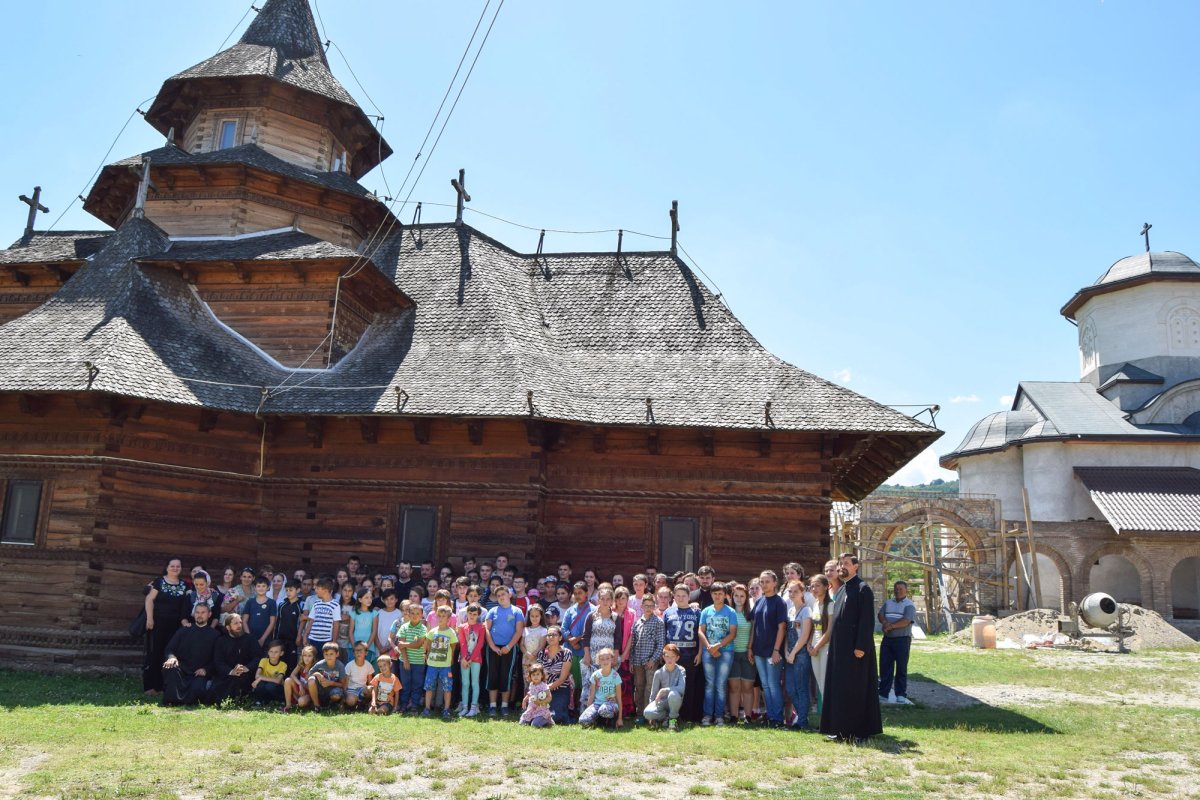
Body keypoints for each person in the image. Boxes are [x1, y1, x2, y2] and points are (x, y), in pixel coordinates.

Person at [820, 553, 882, 743]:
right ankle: (840, 729)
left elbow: (866, 621)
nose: (842, 566)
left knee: (856, 689)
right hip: (840, 650)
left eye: (846, 563)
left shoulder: (863, 589)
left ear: (856, 566)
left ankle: (859, 731)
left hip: (856, 650)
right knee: (839, 689)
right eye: (840, 563)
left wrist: (861, 646)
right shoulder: (842, 590)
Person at [143, 557, 190, 695]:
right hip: (157, 624)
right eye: (172, 566)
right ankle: (151, 686)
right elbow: (149, 599)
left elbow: (187, 604)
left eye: (178, 566)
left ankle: (166, 686)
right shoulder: (159, 582)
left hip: (175, 626)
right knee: (154, 653)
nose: (175, 568)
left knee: (171, 654)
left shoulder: (184, 585)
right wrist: (149, 619)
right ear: (167, 567)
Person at [748, 570, 787, 727]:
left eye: (767, 581)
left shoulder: (779, 602)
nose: (764, 585)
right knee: (765, 685)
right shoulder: (759, 601)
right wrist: (750, 647)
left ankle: (777, 718)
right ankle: (770, 716)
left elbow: (782, 627)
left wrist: (777, 650)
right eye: (762, 582)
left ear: (775, 583)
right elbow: (754, 625)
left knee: (773, 684)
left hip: (773, 651)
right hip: (758, 650)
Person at [160, 601, 219, 706]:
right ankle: (172, 701)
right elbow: (169, 649)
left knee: (197, 689)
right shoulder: (183, 631)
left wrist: (206, 670)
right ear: (194, 614)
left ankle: (182, 701)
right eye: (197, 612)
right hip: (182, 669)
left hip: (199, 673)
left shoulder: (215, 635)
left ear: (209, 614)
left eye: (203, 612)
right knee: (170, 668)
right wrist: (172, 658)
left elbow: (218, 659)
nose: (199, 615)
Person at [698, 581, 738, 726]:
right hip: (708, 651)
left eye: (720, 594)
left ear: (725, 595)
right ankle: (708, 715)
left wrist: (718, 645)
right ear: (711, 594)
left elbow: (732, 633)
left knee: (720, 684)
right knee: (709, 684)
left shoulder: (730, 612)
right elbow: (700, 631)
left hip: (725, 651)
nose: (717, 596)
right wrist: (709, 647)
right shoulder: (706, 611)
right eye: (714, 594)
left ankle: (719, 716)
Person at [663, 583, 703, 722]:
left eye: (684, 596)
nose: (680, 598)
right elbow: (664, 634)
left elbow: (700, 634)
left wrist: (700, 653)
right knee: (671, 686)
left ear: (689, 596)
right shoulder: (668, 612)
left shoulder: (697, 612)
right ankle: (671, 715)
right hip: (672, 656)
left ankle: (687, 716)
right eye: (678, 595)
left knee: (689, 686)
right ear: (674, 596)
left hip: (690, 655)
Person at [484, 584, 525, 715]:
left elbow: (519, 631)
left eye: (503, 594)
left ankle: (504, 706)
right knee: (493, 675)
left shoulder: (517, 611)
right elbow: (487, 629)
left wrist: (508, 646)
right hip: (493, 648)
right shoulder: (493, 611)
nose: (501, 597)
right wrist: (492, 646)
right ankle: (492, 705)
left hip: (509, 648)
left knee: (506, 676)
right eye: (499, 595)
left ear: (509, 595)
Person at [628, 586, 665, 722]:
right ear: (642, 606)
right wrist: (631, 661)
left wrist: (653, 659)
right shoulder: (638, 622)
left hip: (650, 661)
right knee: (639, 687)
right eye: (646, 605)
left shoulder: (658, 622)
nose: (648, 608)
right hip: (637, 661)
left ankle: (649, 713)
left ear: (654, 606)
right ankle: (639, 714)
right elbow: (633, 644)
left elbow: (661, 644)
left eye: (651, 606)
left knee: (650, 687)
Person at [878, 580, 917, 706]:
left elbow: (906, 621)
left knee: (901, 667)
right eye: (896, 588)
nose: (898, 590)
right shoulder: (888, 602)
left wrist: (891, 626)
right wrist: (885, 623)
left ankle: (900, 694)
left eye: (900, 588)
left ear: (906, 590)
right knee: (885, 667)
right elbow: (880, 614)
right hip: (888, 640)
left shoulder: (909, 605)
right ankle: (883, 692)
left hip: (902, 640)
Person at [783, 580, 813, 730]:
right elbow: (788, 634)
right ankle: (802, 716)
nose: (792, 594)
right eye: (790, 591)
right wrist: (786, 650)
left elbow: (805, 634)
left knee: (801, 688)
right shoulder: (790, 611)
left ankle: (802, 722)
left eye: (795, 591)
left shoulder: (806, 611)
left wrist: (794, 652)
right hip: (790, 654)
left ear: (802, 593)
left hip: (800, 654)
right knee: (790, 688)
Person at [209, 612, 258, 703]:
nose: (239, 625)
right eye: (235, 623)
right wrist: (231, 672)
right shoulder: (221, 641)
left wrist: (247, 668)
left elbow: (258, 657)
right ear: (228, 627)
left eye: (240, 622)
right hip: (226, 674)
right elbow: (218, 661)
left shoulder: (250, 639)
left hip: (246, 674)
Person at [392, 600, 428, 713]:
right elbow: (400, 645)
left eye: (418, 614)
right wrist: (406, 660)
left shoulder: (423, 629)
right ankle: (403, 705)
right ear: (408, 613)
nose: (415, 616)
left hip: (418, 662)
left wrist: (405, 644)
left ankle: (414, 706)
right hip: (405, 661)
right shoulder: (404, 627)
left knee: (417, 684)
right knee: (405, 684)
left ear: (421, 615)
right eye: (412, 613)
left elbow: (418, 645)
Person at [424, 605, 457, 718]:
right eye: (439, 616)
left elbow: (453, 647)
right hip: (432, 665)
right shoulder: (432, 631)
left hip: (445, 665)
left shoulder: (451, 632)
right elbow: (427, 645)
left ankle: (446, 709)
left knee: (447, 687)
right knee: (429, 687)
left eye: (444, 616)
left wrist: (451, 659)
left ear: (449, 619)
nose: (441, 618)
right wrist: (426, 655)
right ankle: (427, 708)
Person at [536, 626, 574, 724]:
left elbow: (562, 678)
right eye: (549, 635)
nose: (551, 637)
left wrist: (546, 688)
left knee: (555, 715)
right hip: (543, 688)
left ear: (560, 638)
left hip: (560, 689)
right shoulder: (541, 653)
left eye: (554, 635)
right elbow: (539, 675)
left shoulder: (567, 653)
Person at [807, 574, 833, 713]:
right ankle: (827, 720)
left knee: (826, 683)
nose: (814, 588)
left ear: (826, 586)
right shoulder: (815, 604)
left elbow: (829, 631)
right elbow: (814, 627)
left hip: (826, 648)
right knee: (819, 683)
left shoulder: (830, 605)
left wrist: (817, 647)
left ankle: (832, 719)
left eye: (817, 585)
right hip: (814, 648)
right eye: (812, 586)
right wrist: (809, 644)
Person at [644, 643, 686, 730]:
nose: (669, 659)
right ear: (663, 657)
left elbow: (681, 688)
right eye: (667, 656)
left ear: (677, 658)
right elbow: (653, 693)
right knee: (647, 713)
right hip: (662, 702)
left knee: (673, 694)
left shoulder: (681, 670)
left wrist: (664, 690)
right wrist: (652, 709)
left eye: (672, 656)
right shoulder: (658, 672)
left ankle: (672, 720)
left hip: (675, 700)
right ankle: (666, 717)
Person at [579, 647, 622, 728]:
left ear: (612, 660)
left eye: (607, 658)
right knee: (583, 721)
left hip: (610, 704)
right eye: (602, 659)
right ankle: (597, 720)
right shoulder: (595, 675)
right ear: (598, 661)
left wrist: (620, 718)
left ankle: (611, 721)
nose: (605, 661)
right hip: (597, 704)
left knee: (604, 710)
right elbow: (591, 696)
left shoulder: (615, 676)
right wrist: (588, 712)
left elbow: (619, 699)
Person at [457, 603, 486, 717]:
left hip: (476, 659)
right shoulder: (462, 627)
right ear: (467, 613)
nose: (472, 616)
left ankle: (474, 707)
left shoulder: (482, 627)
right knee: (465, 683)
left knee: (474, 683)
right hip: (464, 659)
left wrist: (471, 658)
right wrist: (465, 658)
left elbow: (480, 644)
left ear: (478, 615)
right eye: (470, 613)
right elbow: (462, 643)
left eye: (475, 614)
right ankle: (464, 707)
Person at [241, 575, 278, 656]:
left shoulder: (272, 603)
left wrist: (262, 639)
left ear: (268, 587)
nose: (261, 588)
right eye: (258, 586)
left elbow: (272, 623)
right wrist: (249, 637)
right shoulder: (250, 602)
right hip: (250, 638)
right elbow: (244, 621)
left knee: (263, 661)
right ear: (255, 588)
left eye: (264, 586)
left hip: (266, 639)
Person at [302, 577, 341, 652]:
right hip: (312, 639)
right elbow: (311, 621)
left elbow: (336, 624)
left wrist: (334, 642)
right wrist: (305, 636)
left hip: (326, 640)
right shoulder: (316, 603)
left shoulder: (335, 605)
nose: (315, 590)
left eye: (317, 589)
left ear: (325, 591)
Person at [275, 578, 305, 669]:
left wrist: (299, 637)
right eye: (287, 590)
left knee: (292, 664)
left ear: (298, 590)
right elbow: (278, 622)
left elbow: (303, 622)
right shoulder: (282, 604)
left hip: (294, 641)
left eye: (291, 590)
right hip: (281, 639)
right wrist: (275, 639)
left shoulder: (302, 604)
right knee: (280, 663)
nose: (288, 592)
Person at [309, 642, 347, 711]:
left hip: (333, 690)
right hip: (321, 689)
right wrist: (317, 674)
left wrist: (330, 683)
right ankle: (316, 705)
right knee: (311, 679)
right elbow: (309, 675)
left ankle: (332, 704)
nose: (329, 656)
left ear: (337, 654)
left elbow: (342, 684)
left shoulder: (340, 666)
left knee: (336, 695)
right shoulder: (320, 664)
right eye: (326, 654)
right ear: (323, 655)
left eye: (331, 654)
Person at [251, 640, 288, 706]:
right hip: (265, 685)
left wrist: (261, 678)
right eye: (271, 651)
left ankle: (280, 701)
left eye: (276, 652)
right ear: (268, 652)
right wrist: (259, 678)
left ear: (281, 653)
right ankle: (259, 701)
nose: (273, 654)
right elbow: (257, 676)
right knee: (260, 685)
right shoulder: (263, 661)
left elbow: (278, 680)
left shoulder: (283, 665)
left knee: (270, 686)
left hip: (276, 687)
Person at [283, 644, 317, 712]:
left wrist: (302, 686)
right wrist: (299, 684)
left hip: (308, 693)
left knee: (301, 702)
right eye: (305, 655)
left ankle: (309, 703)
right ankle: (288, 705)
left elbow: (312, 687)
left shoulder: (315, 668)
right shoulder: (301, 665)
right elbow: (292, 675)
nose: (306, 658)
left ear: (313, 657)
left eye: (309, 656)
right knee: (288, 680)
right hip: (300, 690)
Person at [344, 641, 376, 710]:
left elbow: (370, 682)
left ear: (366, 653)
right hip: (351, 689)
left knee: (370, 689)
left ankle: (363, 703)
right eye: (356, 651)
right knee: (350, 702)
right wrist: (344, 696)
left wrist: (370, 691)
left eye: (361, 650)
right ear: (353, 653)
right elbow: (345, 683)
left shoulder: (368, 665)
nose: (358, 653)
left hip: (362, 689)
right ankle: (353, 702)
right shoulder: (349, 665)